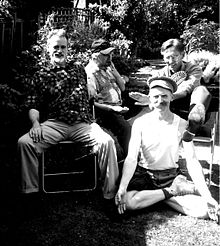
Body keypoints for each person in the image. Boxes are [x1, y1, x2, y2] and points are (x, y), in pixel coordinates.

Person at [17, 29, 119, 200]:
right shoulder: (41, 74)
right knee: (25, 142)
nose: (60, 50)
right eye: (56, 46)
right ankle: (30, 193)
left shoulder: (78, 68)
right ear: (48, 48)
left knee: (107, 142)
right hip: (56, 123)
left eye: (63, 47)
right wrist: (35, 123)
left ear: (67, 48)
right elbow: (33, 104)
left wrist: (91, 89)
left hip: (82, 123)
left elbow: (89, 87)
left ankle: (111, 195)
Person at [115, 76, 219, 222]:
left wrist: (207, 196)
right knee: (128, 201)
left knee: (202, 210)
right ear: (149, 98)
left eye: (164, 96)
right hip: (145, 176)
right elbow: (132, 158)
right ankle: (172, 192)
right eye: (155, 96)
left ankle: (155, 196)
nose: (160, 100)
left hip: (170, 176)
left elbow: (192, 161)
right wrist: (122, 187)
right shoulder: (140, 123)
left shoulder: (182, 124)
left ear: (171, 97)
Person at [129, 38, 212, 142]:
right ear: (163, 57)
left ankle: (193, 124)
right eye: (167, 57)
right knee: (156, 99)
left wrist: (169, 95)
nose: (171, 61)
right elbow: (154, 92)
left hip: (190, 106)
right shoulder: (158, 74)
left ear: (183, 55)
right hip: (170, 109)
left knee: (202, 90)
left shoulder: (194, 69)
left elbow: (188, 86)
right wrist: (150, 98)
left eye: (175, 56)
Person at [85, 39, 131, 157]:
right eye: (106, 55)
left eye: (111, 54)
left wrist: (115, 72)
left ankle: (135, 158)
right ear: (95, 56)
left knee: (145, 111)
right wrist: (112, 109)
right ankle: (126, 162)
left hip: (119, 107)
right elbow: (92, 103)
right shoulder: (91, 73)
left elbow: (123, 88)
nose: (110, 58)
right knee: (126, 129)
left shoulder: (108, 68)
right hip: (105, 113)